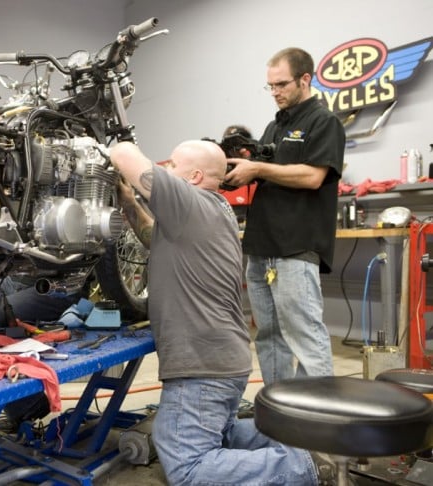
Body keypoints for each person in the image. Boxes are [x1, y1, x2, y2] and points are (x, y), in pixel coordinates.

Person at [110, 140, 321, 485]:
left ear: (192, 176)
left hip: (203, 365)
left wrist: (99, 139)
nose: (164, 170)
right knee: (210, 437)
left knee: (187, 467)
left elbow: (123, 154)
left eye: (171, 165)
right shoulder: (211, 210)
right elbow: (152, 236)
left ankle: (302, 468)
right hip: (224, 360)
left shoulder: (189, 202)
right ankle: (305, 447)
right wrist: (130, 203)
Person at [225, 47, 346, 385]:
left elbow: (313, 177)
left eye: (282, 84)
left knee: (305, 335)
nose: (275, 92)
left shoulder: (324, 122)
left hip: (296, 247)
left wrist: (258, 168)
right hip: (263, 246)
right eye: (271, 86)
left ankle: (317, 416)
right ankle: (279, 409)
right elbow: (265, 171)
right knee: (268, 337)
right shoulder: (275, 126)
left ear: (305, 79)